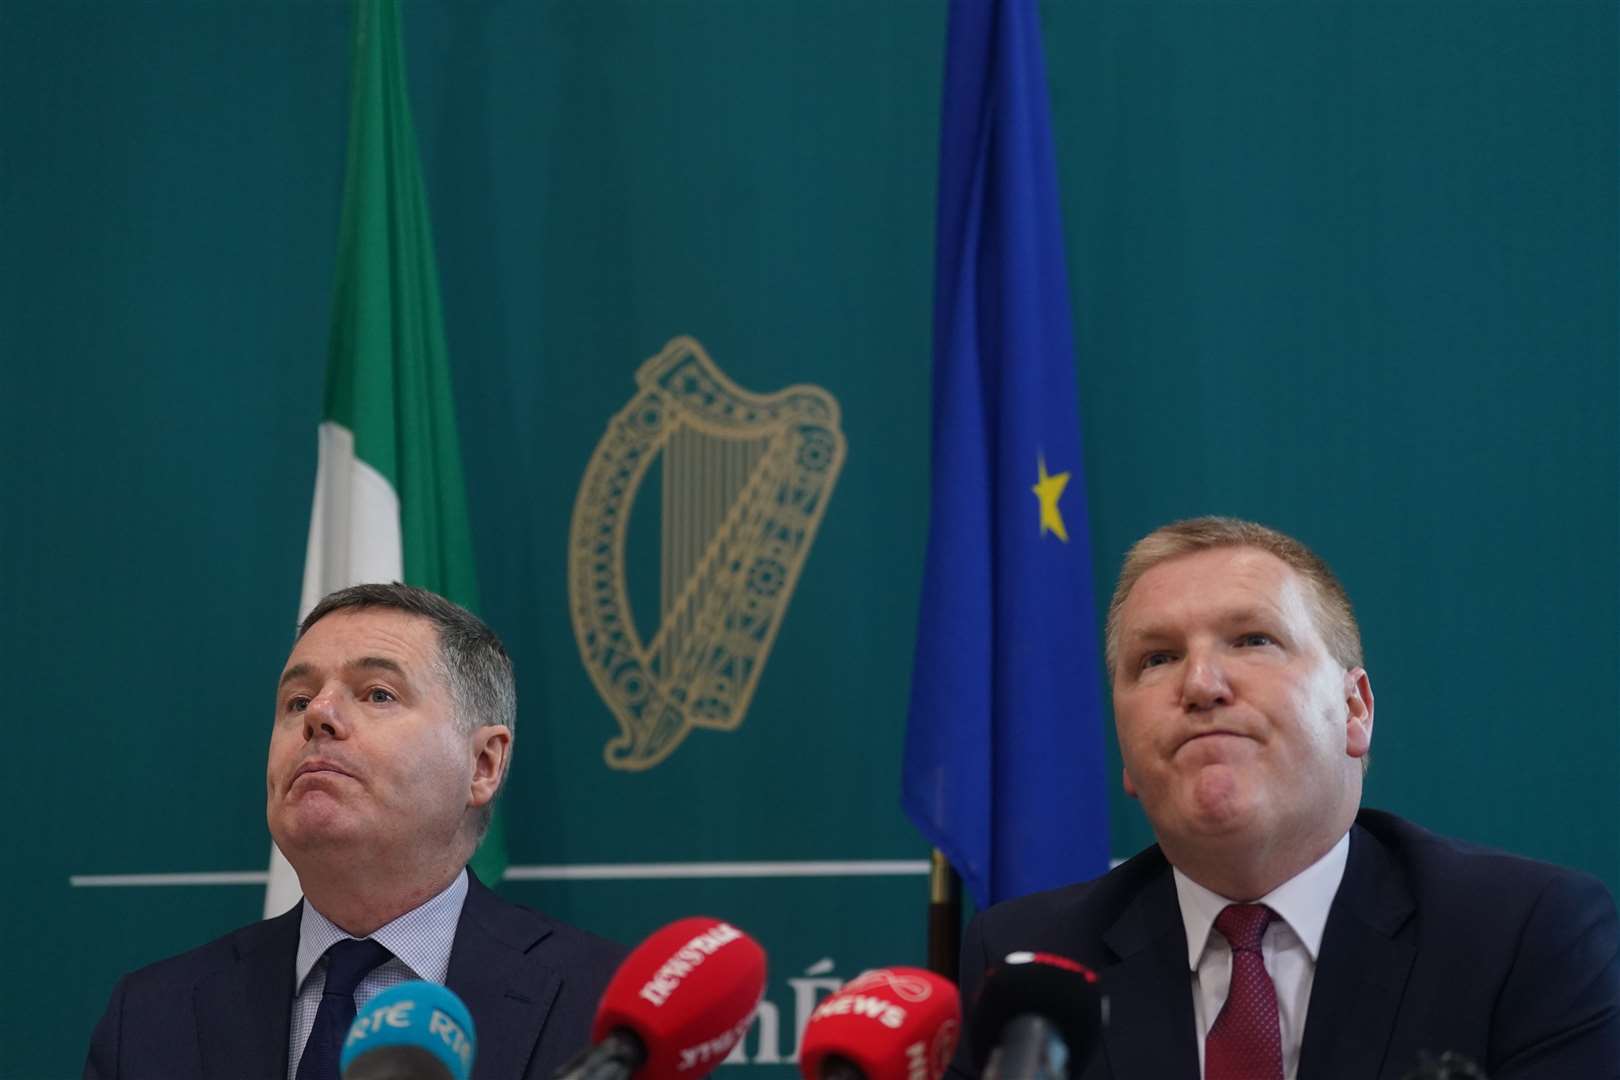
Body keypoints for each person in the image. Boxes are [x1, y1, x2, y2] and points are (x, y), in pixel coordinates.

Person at [952, 517, 1620, 1080]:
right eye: (1157, 658)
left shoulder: (1523, 937)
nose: (1201, 684)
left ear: (1354, 710)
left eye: (1252, 640)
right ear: (1125, 751)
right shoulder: (1030, 964)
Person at [85, 583, 626, 1080]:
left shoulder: (607, 1013)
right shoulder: (153, 1016)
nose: (318, 714)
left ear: (483, 764)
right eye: (297, 701)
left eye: (378, 694)